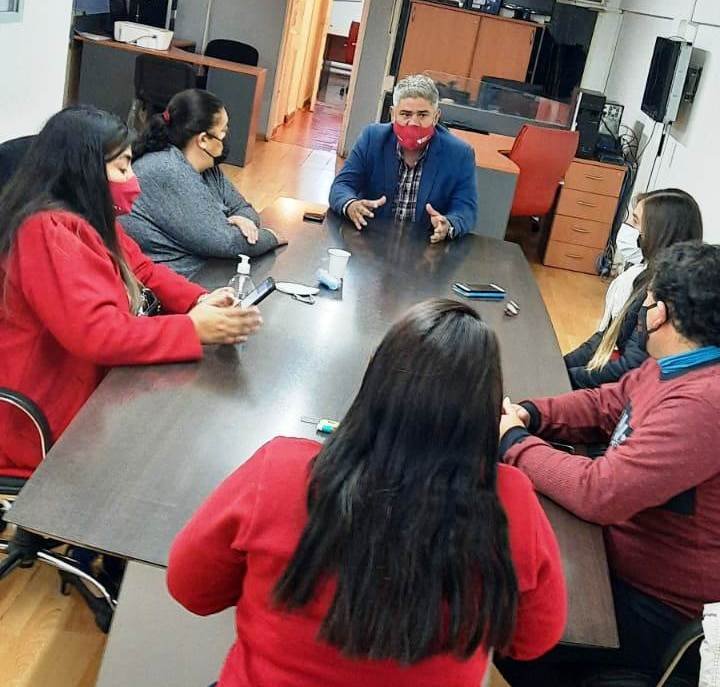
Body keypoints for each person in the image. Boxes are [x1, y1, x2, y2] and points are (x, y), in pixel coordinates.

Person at [167, 299, 567, 687]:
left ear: (374, 376)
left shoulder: (280, 471)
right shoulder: (511, 505)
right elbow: (532, 641)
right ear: (488, 410)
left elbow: (192, 589)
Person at [498, 241, 720, 685]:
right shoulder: (674, 365)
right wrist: (532, 413)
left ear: (660, 314)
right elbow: (606, 404)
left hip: (646, 606)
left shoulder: (703, 404)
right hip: (610, 557)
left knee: (497, 610)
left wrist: (514, 442)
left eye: (648, 303)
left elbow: (600, 492)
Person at [0, 106, 262, 478]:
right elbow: (97, 333)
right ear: (85, 171)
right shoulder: (46, 231)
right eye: (122, 168)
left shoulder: (90, 220)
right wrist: (192, 329)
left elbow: (143, 270)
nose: (133, 180)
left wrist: (199, 300)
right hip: (39, 422)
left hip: (85, 393)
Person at [122, 89, 282, 278]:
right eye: (223, 132)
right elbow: (228, 243)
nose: (226, 138)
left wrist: (242, 220)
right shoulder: (166, 170)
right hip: (177, 282)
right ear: (204, 140)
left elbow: (244, 209)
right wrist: (271, 236)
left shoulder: (208, 168)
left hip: (210, 269)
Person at [564, 188, 702, 389]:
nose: (628, 226)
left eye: (635, 221)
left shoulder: (665, 293)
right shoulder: (645, 276)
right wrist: (560, 364)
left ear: (658, 232)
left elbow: (630, 367)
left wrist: (565, 377)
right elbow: (608, 335)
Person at [328, 74, 478, 242]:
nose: (413, 123)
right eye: (406, 114)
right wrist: (351, 205)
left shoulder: (460, 154)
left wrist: (448, 224)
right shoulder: (372, 139)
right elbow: (341, 186)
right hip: (370, 240)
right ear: (393, 114)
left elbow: (466, 209)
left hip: (425, 245)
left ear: (436, 117)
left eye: (422, 115)